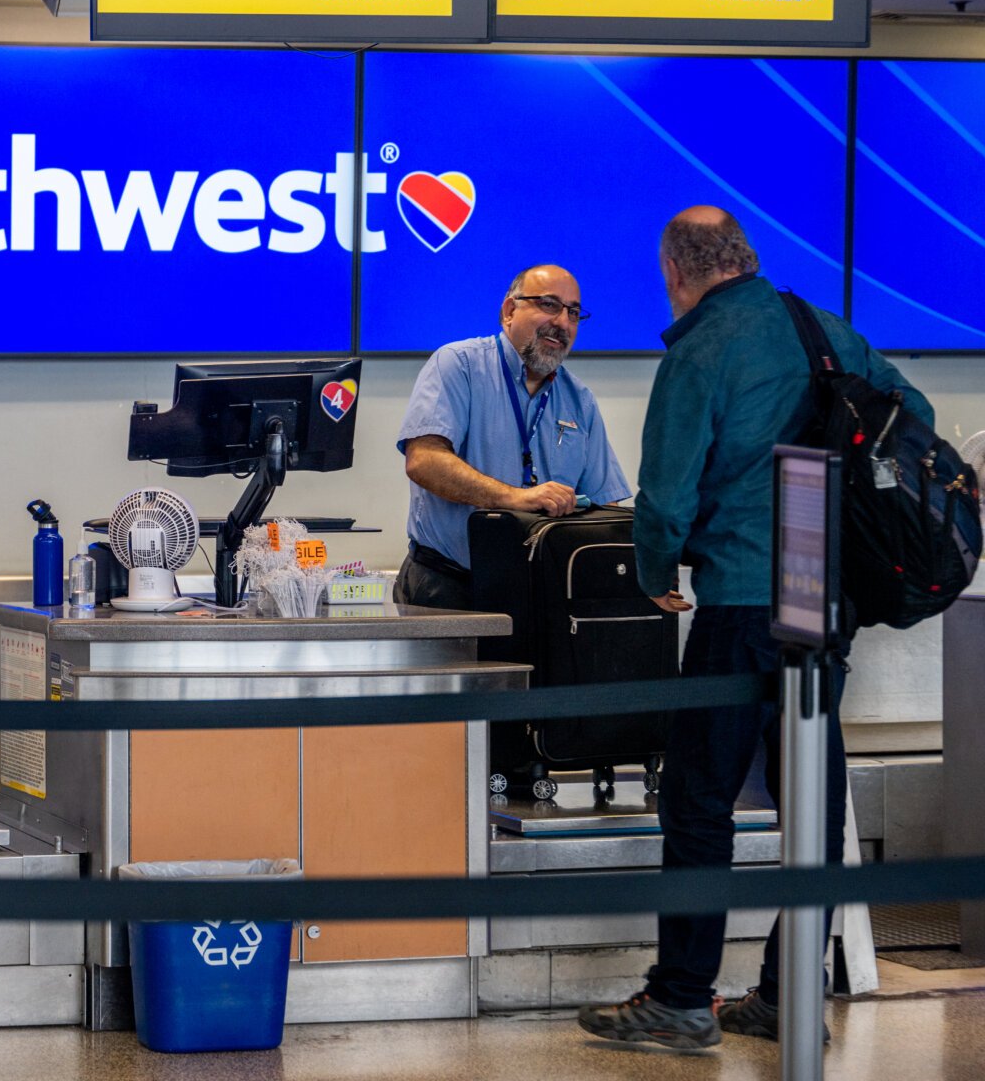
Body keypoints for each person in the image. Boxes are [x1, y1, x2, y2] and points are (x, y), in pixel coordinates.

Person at [579, 207, 931, 1051]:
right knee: (814, 803)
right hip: (821, 597)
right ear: (746, 257)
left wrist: (659, 575)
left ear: (675, 271)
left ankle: (682, 998)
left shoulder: (698, 350)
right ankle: (787, 991)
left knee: (700, 801)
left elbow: (665, 496)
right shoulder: (818, 327)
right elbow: (908, 408)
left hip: (739, 599)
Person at [394, 264, 631, 611]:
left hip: (539, 595)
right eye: (549, 305)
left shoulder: (580, 400)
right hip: (447, 587)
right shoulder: (458, 365)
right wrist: (515, 498)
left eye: (574, 313)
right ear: (509, 311)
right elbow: (424, 460)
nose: (563, 322)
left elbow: (604, 507)